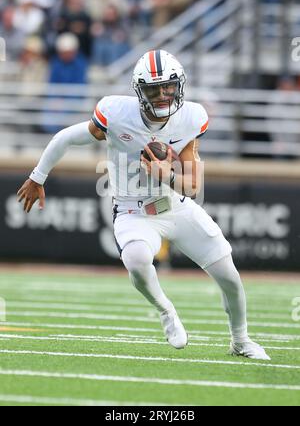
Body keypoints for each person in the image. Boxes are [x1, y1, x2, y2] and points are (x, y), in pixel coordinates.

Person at [17, 49, 270, 360]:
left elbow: (192, 186)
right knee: (136, 259)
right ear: (139, 91)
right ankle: (165, 310)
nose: (163, 95)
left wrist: (166, 175)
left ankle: (241, 340)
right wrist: (38, 176)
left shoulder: (191, 118)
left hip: (174, 206)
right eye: (154, 88)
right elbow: (66, 137)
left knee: (229, 275)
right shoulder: (116, 114)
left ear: (180, 86)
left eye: (169, 87)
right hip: (132, 210)